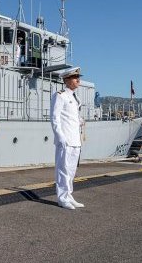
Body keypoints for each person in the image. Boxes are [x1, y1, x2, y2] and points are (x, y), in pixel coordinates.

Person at [50, 66, 85, 210]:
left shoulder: (74, 97)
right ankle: (62, 198)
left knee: (71, 170)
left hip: (75, 140)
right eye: (75, 77)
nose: (78, 80)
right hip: (65, 140)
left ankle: (69, 195)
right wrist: (60, 137)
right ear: (66, 80)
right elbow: (54, 117)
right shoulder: (60, 95)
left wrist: (80, 120)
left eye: (78, 77)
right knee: (63, 169)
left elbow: (72, 116)